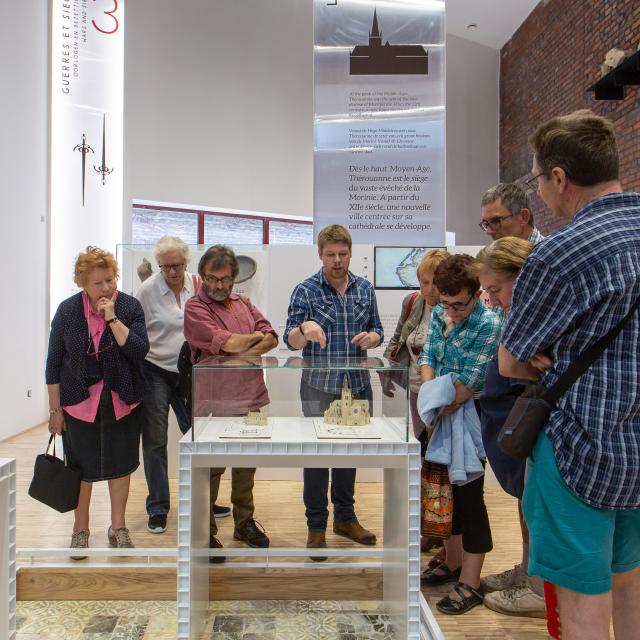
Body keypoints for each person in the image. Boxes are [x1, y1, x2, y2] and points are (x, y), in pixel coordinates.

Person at [499, 109, 640, 640]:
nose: (540, 192)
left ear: (559, 176)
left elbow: (511, 361)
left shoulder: (562, 251)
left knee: (583, 599)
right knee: (630, 584)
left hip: (582, 448)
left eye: (537, 179)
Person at [285, 224, 383, 559]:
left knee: (349, 454)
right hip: (318, 386)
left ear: (351, 253)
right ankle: (316, 527)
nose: (337, 260)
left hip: (356, 386)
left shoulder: (365, 289)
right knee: (316, 458)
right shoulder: (306, 290)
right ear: (320, 254)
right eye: (330, 255)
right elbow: (290, 340)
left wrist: (374, 339)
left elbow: (378, 329)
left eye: (343, 254)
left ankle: (345, 518)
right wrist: (303, 328)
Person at [46, 246, 149, 557]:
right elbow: (53, 364)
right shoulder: (67, 311)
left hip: (122, 400)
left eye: (110, 280)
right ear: (82, 283)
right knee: (81, 467)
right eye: (98, 283)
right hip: (79, 402)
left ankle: (118, 527)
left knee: (120, 466)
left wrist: (113, 317)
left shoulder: (129, 307)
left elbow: (138, 351)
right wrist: (55, 410)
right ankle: (80, 528)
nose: (106, 288)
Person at [418, 254, 501, 615]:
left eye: (459, 305)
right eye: (446, 303)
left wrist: (436, 395)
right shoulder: (439, 313)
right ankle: (451, 562)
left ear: (477, 291)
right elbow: (429, 357)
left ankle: (470, 581)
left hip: (471, 420)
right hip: (436, 416)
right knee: (441, 495)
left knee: (469, 501)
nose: (450, 312)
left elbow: (469, 383)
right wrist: (432, 394)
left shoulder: (490, 324)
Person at [184, 245, 277, 558]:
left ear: (234, 278)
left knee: (245, 464)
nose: (218, 285)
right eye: (211, 278)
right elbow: (234, 342)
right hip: (212, 401)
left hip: (250, 399)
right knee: (209, 469)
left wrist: (239, 346)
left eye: (224, 279)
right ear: (202, 277)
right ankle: (205, 532)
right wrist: (245, 342)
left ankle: (244, 523)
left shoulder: (244, 303)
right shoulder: (195, 308)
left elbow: (272, 337)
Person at [472, 237, 547, 618]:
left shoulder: (537, 311)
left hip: (536, 427)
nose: (495, 300)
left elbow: (510, 367)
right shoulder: (519, 311)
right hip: (519, 425)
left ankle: (539, 587)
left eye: (496, 290)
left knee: (539, 507)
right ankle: (530, 572)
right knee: (528, 503)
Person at [136, 236, 230, 535]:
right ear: (160, 265)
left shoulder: (197, 284)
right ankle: (158, 507)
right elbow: (139, 334)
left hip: (189, 371)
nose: (173, 272)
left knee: (198, 436)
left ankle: (205, 500)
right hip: (156, 369)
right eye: (166, 267)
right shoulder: (147, 291)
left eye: (177, 265)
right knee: (155, 439)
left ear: (186, 262)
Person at [382, 249, 450, 553]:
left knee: (442, 468)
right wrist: (386, 368)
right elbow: (398, 339)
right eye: (425, 282)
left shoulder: (453, 309)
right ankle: (429, 526)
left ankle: (443, 532)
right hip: (415, 394)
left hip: (444, 399)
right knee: (423, 463)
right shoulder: (414, 303)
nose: (430, 289)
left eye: (436, 282)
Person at [479, 182, 544, 244]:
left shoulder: (548, 254)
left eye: (495, 221)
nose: (488, 232)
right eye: (486, 223)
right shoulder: (500, 253)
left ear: (524, 217)